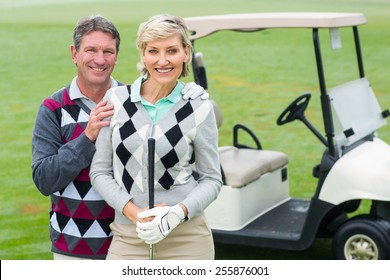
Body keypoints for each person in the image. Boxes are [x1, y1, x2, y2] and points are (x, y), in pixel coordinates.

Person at [31, 14, 208, 260]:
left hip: (131, 236)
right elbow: (44, 180)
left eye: (108, 51)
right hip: (76, 246)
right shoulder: (54, 108)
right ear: (74, 54)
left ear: (117, 55)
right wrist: (87, 136)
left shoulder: (131, 102)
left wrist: (186, 94)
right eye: (91, 50)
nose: (100, 60)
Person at [89, 14, 222, 260]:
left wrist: (178, 213)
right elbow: (99, 172)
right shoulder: (115, 101)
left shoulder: (199, 107)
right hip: (129, 236)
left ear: (186, 53)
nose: (162, 60)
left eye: (172, 50)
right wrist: (134, 213)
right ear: (143, 54)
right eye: (153, 51)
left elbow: (212, 179)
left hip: (187, 239)